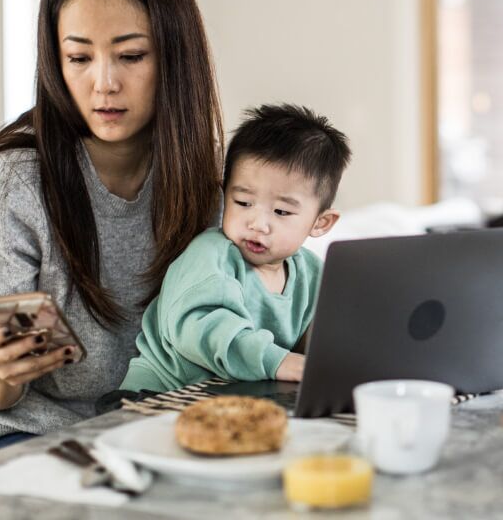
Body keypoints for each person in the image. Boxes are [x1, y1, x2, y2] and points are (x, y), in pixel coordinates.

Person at [0, 0, 223, 475]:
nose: (104, 83)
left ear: (175, 55)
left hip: (123, 429)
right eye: (78, 57)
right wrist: (0, 367)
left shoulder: (202, 178)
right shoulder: (16, 182)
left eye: (130, 55)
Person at [119, 104, 351, 393]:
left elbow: (313, 342)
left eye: (280, 212)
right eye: (243, 202)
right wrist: (276, 361)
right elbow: (203, 328)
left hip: (226, 400)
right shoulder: (211, 255)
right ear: (224, 194)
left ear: (321, 223)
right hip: (156, 394)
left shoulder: (311, 273)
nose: (258, 223)